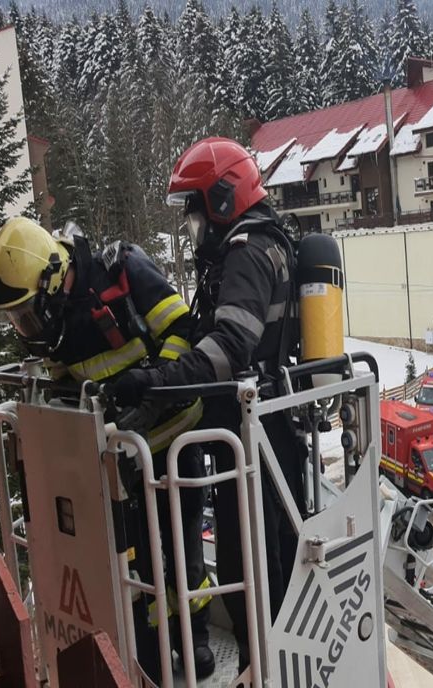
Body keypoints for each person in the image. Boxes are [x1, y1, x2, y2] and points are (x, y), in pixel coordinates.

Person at [0, 217, 214, 680]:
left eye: (27, 313)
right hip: (118, 458)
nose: (25, 326)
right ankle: (149, 652)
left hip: (174, 438)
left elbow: (185, 331)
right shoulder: (57, 324)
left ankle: (196, 638)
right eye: (16, 318)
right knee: (140, 559)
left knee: (183, 548)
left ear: (49, 283)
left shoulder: (123, 270)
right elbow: (67, 385)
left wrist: (151, 392)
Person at [111, 137, 308, 671]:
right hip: (260, 434)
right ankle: (263, 664)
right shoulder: (258, 244)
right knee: (259, 566)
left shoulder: (245, 252)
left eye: (196, 213)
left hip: (254, 439)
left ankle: (263, 669)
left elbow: (227, 349)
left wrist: (157, 381)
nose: (194, 228)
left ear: (223, 199)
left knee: (253, 570)